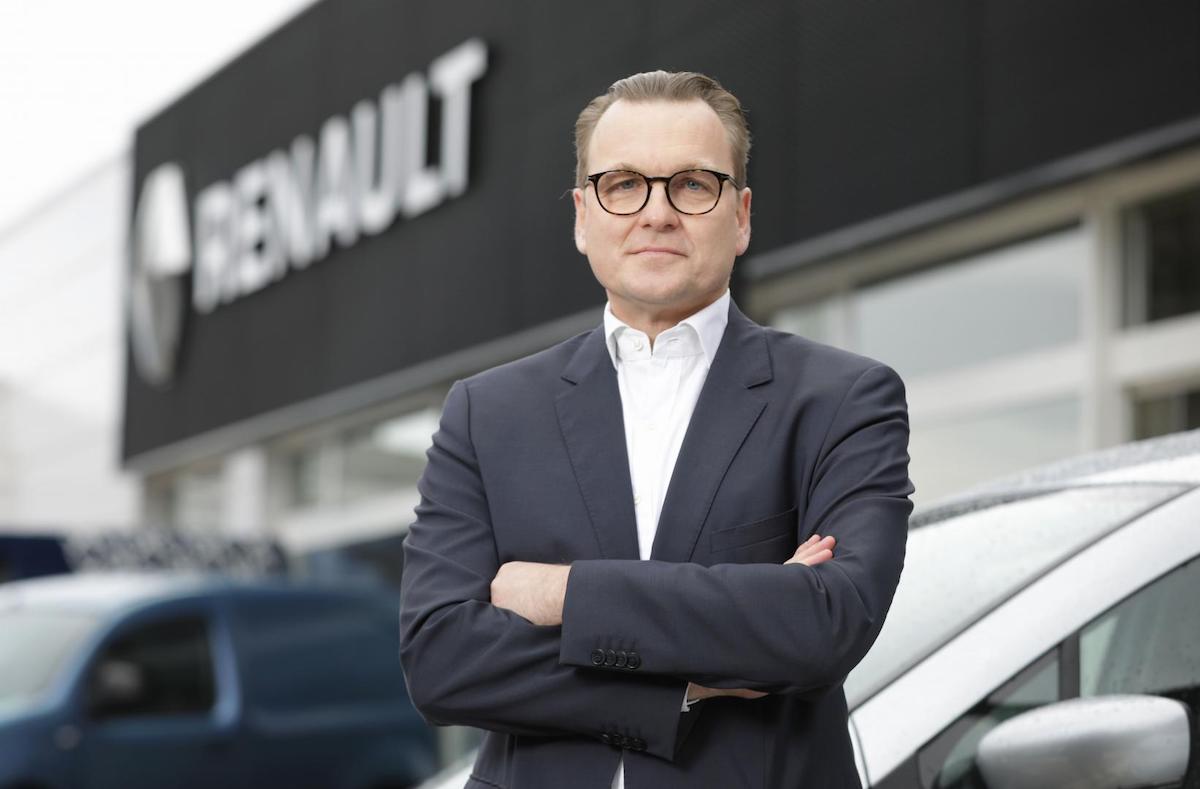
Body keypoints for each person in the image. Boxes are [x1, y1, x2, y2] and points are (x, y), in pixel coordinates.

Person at [399, 70, 914, 788]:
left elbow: (826, 623)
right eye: (623, 185)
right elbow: (441, 659)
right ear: (583, 216)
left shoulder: (842, 399)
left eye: (693, 184)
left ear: (741, 216)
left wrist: (562, 595)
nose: (657, 213)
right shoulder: (486, 413)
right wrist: (686, 684)